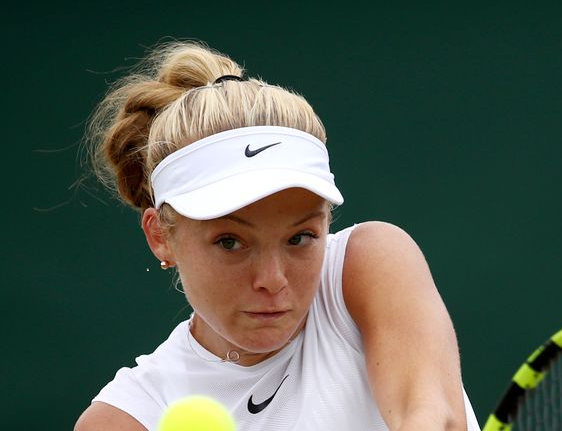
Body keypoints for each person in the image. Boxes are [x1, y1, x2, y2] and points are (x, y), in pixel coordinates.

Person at [73, 40, 481, 431]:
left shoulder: (370, 264)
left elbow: (435, 419)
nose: (272, 279)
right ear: (160, 235)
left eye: (300, 238)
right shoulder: (128, 419)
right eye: (230, 242)